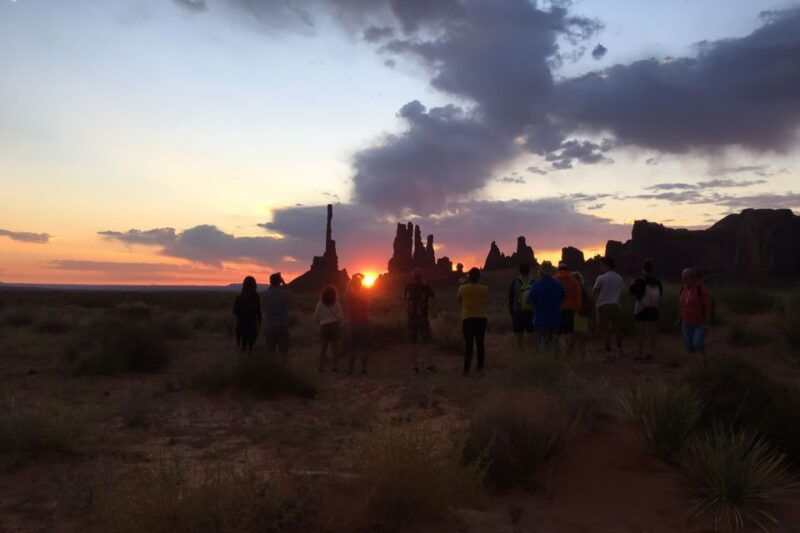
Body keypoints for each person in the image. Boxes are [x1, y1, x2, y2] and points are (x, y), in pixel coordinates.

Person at [629, 259, 663, 362]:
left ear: (643, 269)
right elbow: (660, 294)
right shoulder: (657, 282)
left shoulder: (639, 281)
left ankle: (640, 354)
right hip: (653, 309)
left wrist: (631, 284)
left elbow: (631, 292)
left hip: (641, 309)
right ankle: (652, 353)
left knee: (641, 333)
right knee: (652, 332)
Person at [458, 267, 489, 376]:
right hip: (481, 319)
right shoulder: (484, 288)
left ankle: (466, 370)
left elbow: (459, 300)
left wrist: (464, 282)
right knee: (480, 344)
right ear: (479, 277)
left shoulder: (462, 288)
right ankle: (480, 368)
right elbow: (485, 299)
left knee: (468, 345)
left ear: (469, 277)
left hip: (467, 319)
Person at [404, 268, 436, 373]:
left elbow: (405, 299)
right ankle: (429, 366)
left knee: (413, 342)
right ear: (421, 277)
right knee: (428, 341)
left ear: (412, 277)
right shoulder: (425, 287)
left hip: (411, 317)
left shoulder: (407, 287)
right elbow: (432, 295)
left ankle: (415, 367)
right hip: (423, 317)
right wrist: (425, 284)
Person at [593, 256, 624, 362]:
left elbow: (595, 291)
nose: (600, 267)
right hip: (615, 305)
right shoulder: (620, 277)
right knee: (617, 328)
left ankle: (608, 352)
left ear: (607, 265)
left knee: (605, 329)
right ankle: (619, 349)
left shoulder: (601, 278)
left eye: (602, 265)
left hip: (603, 305)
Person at [528, 261, 564, 353]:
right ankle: (553, 362)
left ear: (541, 272)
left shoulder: (537, 285)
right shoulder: (558, 285)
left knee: (540, 344)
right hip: (555, 319)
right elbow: (563, 299)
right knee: (554, 344)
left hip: (540, 319)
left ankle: (542, 361)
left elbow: (529, 299)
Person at [679, 268, 712, 363]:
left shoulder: (701, 290)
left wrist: (707, 322)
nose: (684, 280)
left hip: (699, 323)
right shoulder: (683, 289)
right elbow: (681, 305)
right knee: (689, 345)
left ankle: (703, 356)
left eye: (686, 278)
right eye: (683, 278)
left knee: (697, 343)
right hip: (686, 322)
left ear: (693, 278)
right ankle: (695, 362)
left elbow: (707, 306)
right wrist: (679, 317)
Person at [314, 284, 344, 373]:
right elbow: (341, 317)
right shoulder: (337, 304)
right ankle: (334, 368)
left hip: (324, 326)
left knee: (323, 348)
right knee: (334, 349)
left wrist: (322, 320)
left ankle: (320, 368)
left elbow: (315, 317)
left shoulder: (320, 304)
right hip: (335, 326)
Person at [263, 272, 291, 364]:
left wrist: (274, 282)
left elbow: (269, 291)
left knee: (270, 350)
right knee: (283, 351)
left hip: (270, 326)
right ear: (279, 282)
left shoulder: (266, 294)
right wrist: (283, 282)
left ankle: (271, 370)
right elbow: (289, 291)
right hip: (283, 326)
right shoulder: (284, 294)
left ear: (270, 282)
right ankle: (283, 369)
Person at [554, 262, 582, 356]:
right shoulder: (574, 281)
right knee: (569, 333)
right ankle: (568, 353)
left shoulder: (554, 279)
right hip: (569, 310)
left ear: (559, 270)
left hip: (556, 310)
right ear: (568, 270)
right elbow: (578, 297)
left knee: (556, 334)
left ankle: (556, 354)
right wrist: (576, 309)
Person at [345, 273, 370, 374]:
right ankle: (364, 369)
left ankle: (350, 369)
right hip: (364, 324)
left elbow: (347, 289)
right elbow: (367, 287)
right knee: (364, 348)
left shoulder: (350, 296)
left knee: (352, 348)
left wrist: (352, 279)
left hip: (353, 325)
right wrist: (360, 277)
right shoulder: (365, 295)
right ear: (360, 284)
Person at [508, 263, 535, 350]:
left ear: (519, 270)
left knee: (519, 335)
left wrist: (511, 311)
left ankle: (520, 351)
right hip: (531, 312)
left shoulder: (515, 282)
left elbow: (511, 297)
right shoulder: (534, 282)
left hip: (518, 312)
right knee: (530, 334)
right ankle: (530, 352)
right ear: (529, 270)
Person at [233, 276, 262, 354]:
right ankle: (248, 362)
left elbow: (235, 312)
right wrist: (259, 322)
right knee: (250, 347)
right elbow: (258, 310)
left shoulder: (239, 297)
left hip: (241, 325)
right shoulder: (256, 297)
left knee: (242, 346)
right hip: (251, 325)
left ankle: (243, 362)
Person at [572, 271, 591, 358]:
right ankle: (582, 354)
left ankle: (570, 355)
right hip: (584, 314)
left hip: (576, 313)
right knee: (582, 335)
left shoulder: (574, 289)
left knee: (574, 336)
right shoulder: (584, 289)